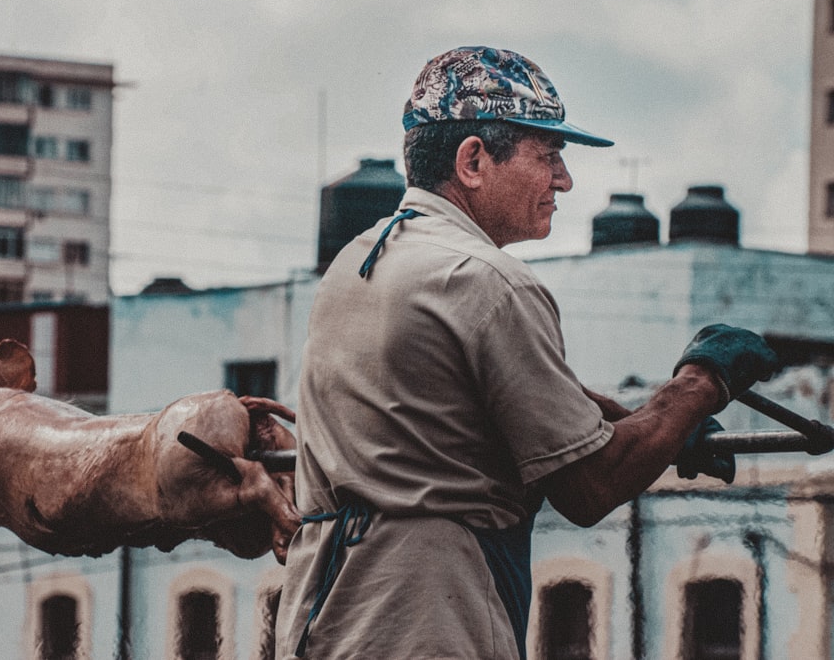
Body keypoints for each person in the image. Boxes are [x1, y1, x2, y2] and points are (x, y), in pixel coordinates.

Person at [274, 46, 779, 659]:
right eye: (548, 156)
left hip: (325, 618)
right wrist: (699, 386)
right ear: (474, 160)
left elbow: (507, 396)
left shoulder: (359, 262)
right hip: (429, 622)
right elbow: (589, 487)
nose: (563, 179)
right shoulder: (488, 281)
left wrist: (657, 427)